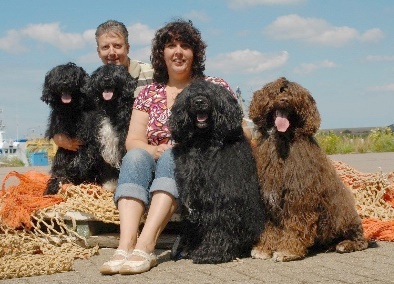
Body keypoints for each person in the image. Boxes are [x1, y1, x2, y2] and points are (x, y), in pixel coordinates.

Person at [99, 18, 252, 275]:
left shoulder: (215, 87)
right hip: (156, 157)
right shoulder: (149, 93)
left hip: (200, 165)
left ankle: (145, 247)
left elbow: (241, 132)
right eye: (171, 45)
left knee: (173, 155)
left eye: (185, 46)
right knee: (135, 156)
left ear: (195, 53)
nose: (178, 51)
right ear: (162, 53)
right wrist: (152, 150)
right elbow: (133, 140)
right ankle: (125, 245)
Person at [53, 19, 153, 151]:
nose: (112, 52)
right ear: (98, 52)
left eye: (117, 46)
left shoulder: (151, 74)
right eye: (105, 47)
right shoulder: (92, 84)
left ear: (127, 48)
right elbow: (68, 114)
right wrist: (57, 136)